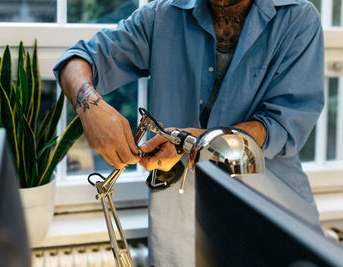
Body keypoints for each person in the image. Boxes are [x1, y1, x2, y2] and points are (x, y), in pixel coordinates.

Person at [54, 0, 324, 265]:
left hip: (269, 213)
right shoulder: (161, 16)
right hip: (180, 226)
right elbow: (77, 59)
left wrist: (192, 143)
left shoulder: (297, 19)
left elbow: (283, 124)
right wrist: (90, 106)